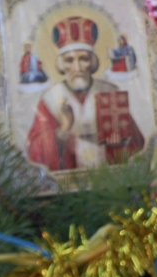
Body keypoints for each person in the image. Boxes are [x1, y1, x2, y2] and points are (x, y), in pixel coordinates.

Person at [26, 16, 146, 171]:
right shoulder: (50, 99)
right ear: (61, 65)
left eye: (83, 59)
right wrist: (64, 128)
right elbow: (36, 150)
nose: (77, 67)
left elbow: (136, 144)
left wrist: (121, 142)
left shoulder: (109, 91)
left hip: (110, 178)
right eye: (69, 60)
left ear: (93, 62)